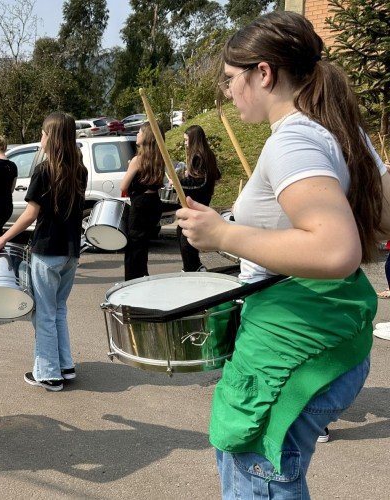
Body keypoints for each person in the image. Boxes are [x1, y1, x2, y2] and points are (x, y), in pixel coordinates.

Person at [175, 11, 387, 498]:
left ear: (264, 73)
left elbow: (334, 249)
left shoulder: (294, 139)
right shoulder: (336, 129)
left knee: (258, 477)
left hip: (294, 343)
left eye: (232, 79)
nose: (228, 92)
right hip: (322, 332)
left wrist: (222, 235)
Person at [0, 112, 87, 392]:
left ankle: (49, 374)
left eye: (43, 132)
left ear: (51, 137)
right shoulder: (79, 169)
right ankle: (65, 366)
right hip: (71, 252)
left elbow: (31, 214)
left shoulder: (45, 170)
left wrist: (3, 238)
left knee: (43, 313)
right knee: (58, 309)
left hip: (47, 251)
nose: (40, 137)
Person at [119, 123, 164, 281]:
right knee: (142, 248)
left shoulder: (138, 160)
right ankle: (142, 279)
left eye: (139, 132)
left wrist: (130, 168)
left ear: (147, 136)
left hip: (140, 204)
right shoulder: (159, 157)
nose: (137, 135)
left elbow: (123, 186)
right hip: (154, 202)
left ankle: (132, 283)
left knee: (133, 249)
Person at [175, 125, 221, 272]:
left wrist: (179, 181)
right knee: (183, 231)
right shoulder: (207, 155)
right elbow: (217, 174)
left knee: (186, 235)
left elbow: (200, 182)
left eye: (187, 140)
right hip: (202, 197)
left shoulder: (199, 157)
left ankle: (192, 267)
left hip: (198, 199)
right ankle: (192, 265)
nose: (185, 143)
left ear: (194, 140)